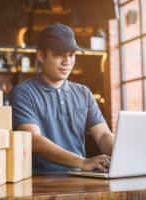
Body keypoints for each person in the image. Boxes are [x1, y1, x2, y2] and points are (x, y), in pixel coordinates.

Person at [9, 23, 114, 172]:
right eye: (59, 55)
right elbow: (34, 140)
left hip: (79, 179)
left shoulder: (84, 93)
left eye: (71, 55)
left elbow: (103, 134)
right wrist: (82, 162)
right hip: (39, 182)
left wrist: (124, 156)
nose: (67, 62)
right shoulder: (23, 92)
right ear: (41, 55)